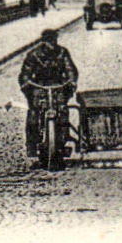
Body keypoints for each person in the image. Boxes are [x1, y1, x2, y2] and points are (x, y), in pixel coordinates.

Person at [17, 28, 79, 164]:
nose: (52, 43)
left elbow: (70, 69)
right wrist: (27, 84)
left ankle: (62, 139)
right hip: (40, 86)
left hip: (58, 85)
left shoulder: (62, 53)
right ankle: (32, 144)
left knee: (62, 110)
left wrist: (71, 82)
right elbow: (25, 73)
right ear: (43, 41)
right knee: (34, 112)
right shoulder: (33, 55)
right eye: (49, 41)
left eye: (53, 40)